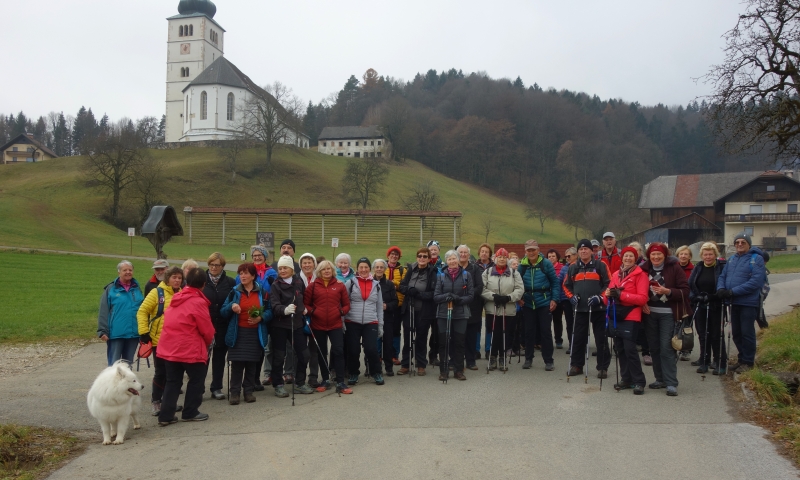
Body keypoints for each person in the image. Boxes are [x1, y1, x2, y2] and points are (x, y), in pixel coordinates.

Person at [155, 268, 215, 425]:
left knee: (172, 381)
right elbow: (206, 328)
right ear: (203, 284)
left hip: (170, 347)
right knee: (197, 379)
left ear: (186, 281)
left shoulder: (176, 298)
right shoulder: (198, 302)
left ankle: (166, 415)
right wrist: (209, 340)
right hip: (190, 348)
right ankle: (190, 411)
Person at [640, 242, 690, 396]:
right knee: (654, 347)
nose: (656, 257)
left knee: (666, 348)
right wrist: (642, 303)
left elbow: (685, 290)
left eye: (659, 254)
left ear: (664, 255)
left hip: (668, 313)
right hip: (649, 313)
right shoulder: (643, 269)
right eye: (653, 254)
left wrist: (668, 291)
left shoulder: (674, 267)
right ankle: (659, 379)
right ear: (649, 255)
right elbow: (637, 288)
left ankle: (671, 383)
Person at [220, 263, 271, 405]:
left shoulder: (262, 292)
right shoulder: (234, 292)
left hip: (255, 333)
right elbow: (223, 311)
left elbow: (270, 311)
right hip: (238, 332)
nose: (242, 276)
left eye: (246, 273)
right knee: (237, 364)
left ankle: (248, 391)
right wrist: (231, 306)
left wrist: (261, 318)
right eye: (240, 273)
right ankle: (234, 392)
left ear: (253, 276)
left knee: (251, 364)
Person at [717, 232, 767, 373]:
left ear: (749, 244)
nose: (739, 244)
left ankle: (748, 361)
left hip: (748, 303)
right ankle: (741, 359)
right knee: (737, 333)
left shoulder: (756, 259)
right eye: (737, 242)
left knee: (747, 332)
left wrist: (733, 291)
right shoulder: (732, 259)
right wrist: (721, 289)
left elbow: (755, 282)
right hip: (734, 302)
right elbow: (723, 276)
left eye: (743, 242)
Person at [136, 266, 183, 415]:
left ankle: (169, 402)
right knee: (161, 372)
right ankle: (156, 401)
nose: (177, 280)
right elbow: (142, 311)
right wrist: (144, 332)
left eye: (180, 278)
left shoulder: (182, 293)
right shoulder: (156, 292)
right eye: (174, 277)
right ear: (168, 278)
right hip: (159, 340)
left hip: (177, 341)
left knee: (175, 374)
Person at [563, 239, 611, 379]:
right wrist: (571, 297)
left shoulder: (600, 265)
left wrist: (600, 297)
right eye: (581, 249)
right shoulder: (573, 267)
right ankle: (576, 365)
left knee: (601, 339)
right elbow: (566, 285)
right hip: (580, 309)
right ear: (578, 252)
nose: (583, 251)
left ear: (591, 251)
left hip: (598, 308)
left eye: (586, 249)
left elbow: (609, 284)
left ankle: (602, 367)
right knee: (578, 338)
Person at [605, 246, 649, 395]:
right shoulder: (616, 274)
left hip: (631, 316)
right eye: (625, 256)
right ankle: (626, 378)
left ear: (635, 258)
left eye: (631, 256)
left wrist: (621, 295)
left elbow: (643, 298)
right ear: (622, 258)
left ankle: (639, 381)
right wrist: (608, 295)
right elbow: (608, 296)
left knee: (630, 350)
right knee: (620, 349)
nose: (628, 258)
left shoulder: (640, 275)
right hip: (616, 315)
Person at [304, 260, 352, 394]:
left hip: (335, 324)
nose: (326, 271)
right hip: (318, 325)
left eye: (329, 269)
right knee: (321, 352)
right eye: (324, 269)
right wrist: (313, 312)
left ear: (332, 271)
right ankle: (325, 379)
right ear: (319, 271)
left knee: (338, 351)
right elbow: (306, 305)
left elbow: (346, 304)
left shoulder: (340, 285)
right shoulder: (312, 286)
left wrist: (341, 312)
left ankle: (341, 382)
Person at [269, 255, 313, 396]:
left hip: (297, 324)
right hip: (280, 325)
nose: (282, 270)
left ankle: (300, 382)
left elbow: (304, 298)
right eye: (280, 268)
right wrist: (284, 310)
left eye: (285, 268)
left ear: (291, 269)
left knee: (304, 355)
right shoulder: (275, 285)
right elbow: (274, 305)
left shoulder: (299, 282)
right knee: (279, 356)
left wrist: (304, 308)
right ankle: (278, 384)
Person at [433, 250, 475, 381]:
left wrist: (457, 299)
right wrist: (446, 296)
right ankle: (444, 371)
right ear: (447, 261)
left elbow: (471, 296)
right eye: (450, 259)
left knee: (459, 342)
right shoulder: (441, 276)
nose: (452, 261)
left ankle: (458, 370)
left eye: (454, 258)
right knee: (443, 342)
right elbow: (436, 296)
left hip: (460, 314)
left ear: (458, 260)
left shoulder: (466, 275)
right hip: (443, 314)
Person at [518, 240, 559, 371]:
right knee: (529, 332)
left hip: (544, 301)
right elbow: (517, 284)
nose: (531, 252)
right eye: (528, 250)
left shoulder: (546, 264)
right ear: (525, 251)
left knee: (545, 332)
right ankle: (528, 359)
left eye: (533, 250)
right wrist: (519, 297)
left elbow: (555, 283)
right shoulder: (522, 265)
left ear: (538, 250)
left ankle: (548, 360)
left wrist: (555, 299)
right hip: (528, 302)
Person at [688, 242, 728, 375]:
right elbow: (691, 284)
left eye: (711, 254)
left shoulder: (721, 267)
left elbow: (724, 285)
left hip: (716, 304)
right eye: (705, 254)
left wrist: (714, 296)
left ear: (715, 255)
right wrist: (695, 297)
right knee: (703, 334)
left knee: (717, 334)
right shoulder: (698, 267)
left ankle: (720, 362)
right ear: (702, 255)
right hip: (701, 304)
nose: (708, 257)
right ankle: (704, 361)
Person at [481, 248, 523, 371]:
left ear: (507, 259)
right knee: (494, 333)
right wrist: (494, 296)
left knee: (506, 334)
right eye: (500, 257)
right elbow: (482, 289)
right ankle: (493, 357)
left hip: (508, 309)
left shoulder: (514, 273)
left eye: (504, 257)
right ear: (495, 258)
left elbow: (519, 289)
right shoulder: (487, 272)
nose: (502, 259)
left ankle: (502, 357)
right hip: (492, 308)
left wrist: (509, 298)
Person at [344, 258, 385, 386]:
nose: (363, 270)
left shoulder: (376, 285)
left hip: (370, 321)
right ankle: (353, 373)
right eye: (361, 267)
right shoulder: (350, 283)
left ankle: (376, 372)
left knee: (371, 349)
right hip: (352, 321)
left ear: (370, 269)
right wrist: (342, 322)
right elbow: (343, 304)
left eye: (366, 267)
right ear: (357, 269)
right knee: (353, 350)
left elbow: (379, 306)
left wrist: (380, 325)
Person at [397, 247, 438, 375]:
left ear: (429, 259)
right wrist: (409, 291)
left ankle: (421, 364)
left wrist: (419, 294)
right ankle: (406, 364)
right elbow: (402, 286)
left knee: (421, 337)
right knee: (408, 337)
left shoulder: (432, 272)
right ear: (417, 257)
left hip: (424, 311)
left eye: (425, 256)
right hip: (409, 309)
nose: (422, 258)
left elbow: (433, 293)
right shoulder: (411, 269)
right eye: (420, 256)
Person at [242, 245, 277, 389]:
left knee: (261, 345)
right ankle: (247, 378)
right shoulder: (246, 271)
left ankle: (255, 378)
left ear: (265, 256)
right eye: (254, 255)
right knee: (248, 347)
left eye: (259, 255)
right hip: (247, 310)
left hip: (265, 310)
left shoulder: (272, 273)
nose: (257, 257)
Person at [203, 252, 236, 401]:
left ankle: (216, 387)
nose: (214, 267)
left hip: (222, 325)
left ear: (223, 266)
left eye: (217, 265)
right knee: (202, 359)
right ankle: (198, 388)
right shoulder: (201, 280)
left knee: (219, 358)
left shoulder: (229, 282)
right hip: (204, 326)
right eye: (211, 264)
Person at [97, 260, 144, 366]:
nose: (128, 272)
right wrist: (102, 331)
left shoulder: (136, 289)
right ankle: (112, 383)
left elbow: (143, 311)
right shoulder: (111, 289)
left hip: (133, 334)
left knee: (128, 364)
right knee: (114, 364)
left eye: (130, 270)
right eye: (125, 270)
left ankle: (126, 383)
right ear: (119, 272)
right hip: (116, 334)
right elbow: (103, 311)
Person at [457, 245, 484, 371]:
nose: (463, 254)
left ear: (469, 254)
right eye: (460, 252)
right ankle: (457, 361)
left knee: (471, 335)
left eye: (465, 252)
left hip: (473, 306)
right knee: (458, 335)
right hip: (457, 306)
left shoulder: (475, 268)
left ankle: (471, 360)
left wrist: (468, 295)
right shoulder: (452, 268)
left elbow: (479, 286)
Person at [298, 252, 321, 387]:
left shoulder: (319, 279)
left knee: (314, 349)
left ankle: (313, 377)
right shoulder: (296, 279)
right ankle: (298, 377)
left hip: (316, 317)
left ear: (314, 264)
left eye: (309, 262)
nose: (307, 265)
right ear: (300, 265)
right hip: (299, 318)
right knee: (300, 350)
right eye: (304, 263)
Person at [628, 241, 653, 366]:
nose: (633, 253)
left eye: (636, 250)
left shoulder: (645, 265)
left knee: (644, 328)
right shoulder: (626, 266)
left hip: (644, 299)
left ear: (640, 252)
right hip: (631, 300)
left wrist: (644, 300)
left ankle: (646, 352)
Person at [373, 259, 399, 376]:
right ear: (374, 269)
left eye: (381, 267)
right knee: (373, 343)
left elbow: (395, 301)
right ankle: (374, 367)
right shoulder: (369, 282)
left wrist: (386, 306)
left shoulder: (389, 284)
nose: (379, 269)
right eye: (377, 267)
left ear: (385, 269)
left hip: (387, 317)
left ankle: (389, 367)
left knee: (388, 343)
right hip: (372, 317)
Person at [385, 246, 406, 365]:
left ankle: (394, 355)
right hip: (384, 304)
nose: (394, 256)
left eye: (396, 254)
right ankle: (380, 354)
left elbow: (403, 286)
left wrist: (394, 283)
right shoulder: (382, 267)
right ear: (388, 255)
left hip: (398, 304)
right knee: (382, 330)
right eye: (392, 254)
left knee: (395, 330)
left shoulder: (403, 270)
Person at [675, 245, 695, 361]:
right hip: (675, 301)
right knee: (674, 326)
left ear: (690, 256)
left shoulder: (693, 269)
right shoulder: (673, 268)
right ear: (677, 255)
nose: (683, 256)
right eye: (681, 254)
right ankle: (674, 346)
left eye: (685, 254)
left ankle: (686, 350)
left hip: (688, 302)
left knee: (687, 327)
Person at [475, 243, 495, 359]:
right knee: (477, 323)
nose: (484, 253)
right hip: (477, 297)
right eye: (482, 251)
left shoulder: (494, 266)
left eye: (486, 252)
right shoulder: (474, 265)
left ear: (490, 254)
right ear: (479, 253)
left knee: (490, 323)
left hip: (490, 297)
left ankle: (489, 349)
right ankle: (476, 349)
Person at [558, 247, 577, 354]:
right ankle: (571, 344)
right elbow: (559, 282)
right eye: (566, 257)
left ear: (576, 256)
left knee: (579, 323)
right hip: (566, 298)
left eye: (569, 256)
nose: (567, 258)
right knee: (569, 323)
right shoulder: (564, 269)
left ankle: (581, 344)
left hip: (580, 298)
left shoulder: (580, 266)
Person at [546, 249, 565, 349]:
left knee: (557, 320)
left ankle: (558, 340)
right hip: (547, 298)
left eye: (553, 256)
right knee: (547, 321)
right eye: (549, 256)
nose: (551, 258)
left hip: (558, 298)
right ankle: (547, 341)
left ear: (557, 257)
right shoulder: (545, 268)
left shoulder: (562, 268)